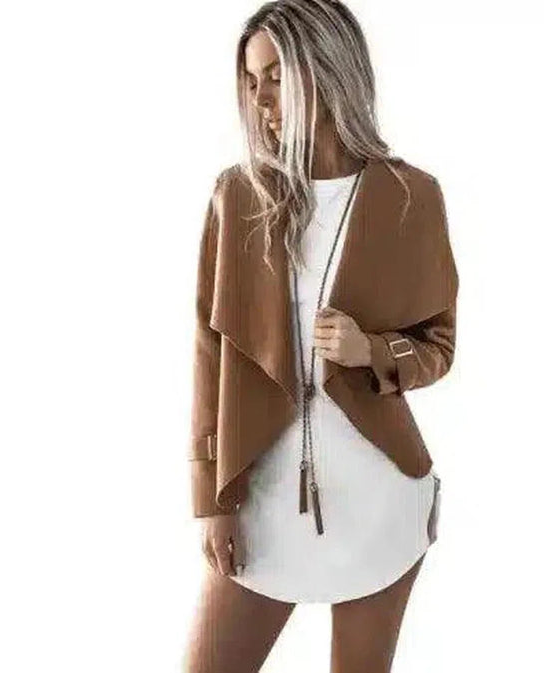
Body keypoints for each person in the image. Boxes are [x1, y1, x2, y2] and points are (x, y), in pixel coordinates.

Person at [184, 2, 458, 671]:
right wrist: (210, 498)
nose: (261, 99)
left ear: (327, 69)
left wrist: (373, 351)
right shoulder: (237, 197)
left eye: (277, 77)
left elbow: (439, 345)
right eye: (252, 81)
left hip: (380, 495)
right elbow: (209, 356)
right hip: (259, 494)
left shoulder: (411, 196)